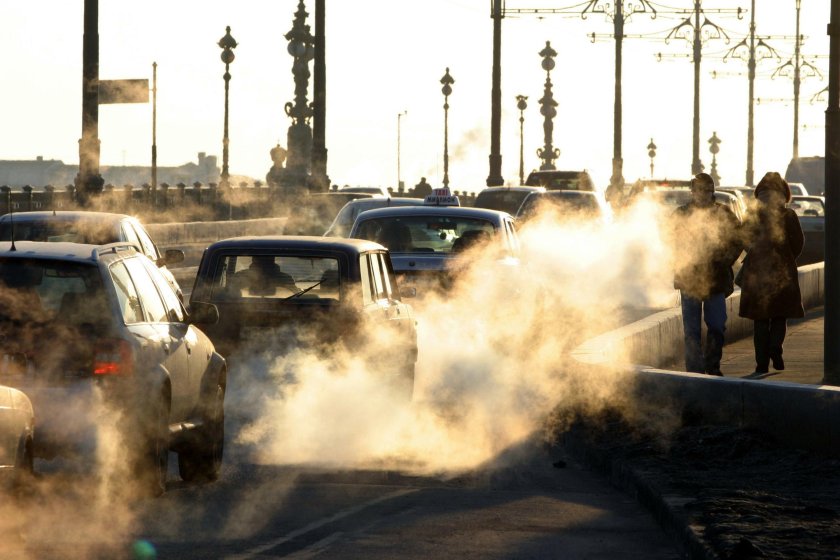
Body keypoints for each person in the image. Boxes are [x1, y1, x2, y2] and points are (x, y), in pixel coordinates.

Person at [671, 172, 743, 375]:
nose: (703, 194)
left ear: (712, 192)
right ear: (692, 192)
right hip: (689, 279)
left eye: (707, 190)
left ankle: (712, 366)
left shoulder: (723, 213)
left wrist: (725, 260)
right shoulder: (681, 214)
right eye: (699, 190)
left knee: (717, 326)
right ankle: (694, 371)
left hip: (716, 279)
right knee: (692, 330)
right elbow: (668, 240)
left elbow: (738, 239)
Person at [737, 171, 804, 374]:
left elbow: (743, 238)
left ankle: (761, 364)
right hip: (783, 271)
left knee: (760, 319)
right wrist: (787, 257)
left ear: (760, 190)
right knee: (779, 315)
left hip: (757, 273)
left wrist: (755, 253)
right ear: (783, 192)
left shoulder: (752, 214)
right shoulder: (788, 215)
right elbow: (798, 243)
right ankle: (775, 346)